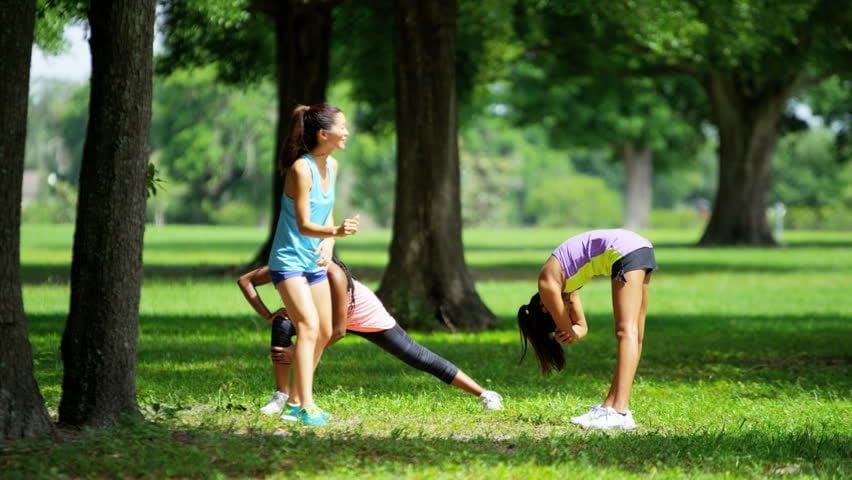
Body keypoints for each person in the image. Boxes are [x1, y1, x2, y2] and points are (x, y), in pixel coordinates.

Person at [237, 257, 503, 420]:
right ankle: (281, 396)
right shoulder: (287, 266)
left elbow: (337, 331)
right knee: (282, 324)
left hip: (360, 316)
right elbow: (246, 281)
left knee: (417, 356)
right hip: (317, 319)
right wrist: (269, 315)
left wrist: (298, 352)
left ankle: (485, 393)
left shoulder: (333, 274)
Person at [265, 103, 359, 426]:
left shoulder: (332, 166)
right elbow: (305, 224)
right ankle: (307, 405)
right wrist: (336, 231)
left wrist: (330, 242)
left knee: (323, 332)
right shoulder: (300, 170)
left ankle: (292, 402)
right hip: (288, 261)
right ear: (324, 133)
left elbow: (327, 211)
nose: (346, 132)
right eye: (342, 127)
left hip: (313, 261)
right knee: (307, 326)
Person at [517, 229, 656, 430]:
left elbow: (572, 328)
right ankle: (611, 406)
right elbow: (581, 327)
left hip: (624, 251)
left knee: (625, 331)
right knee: (635, 334)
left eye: (556, 315)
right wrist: (573, 332)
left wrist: (567, 330)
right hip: (638, 247)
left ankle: (618, 410)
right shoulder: (564, 284)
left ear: (544, 307)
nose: (563, 312)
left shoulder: (547, 284)